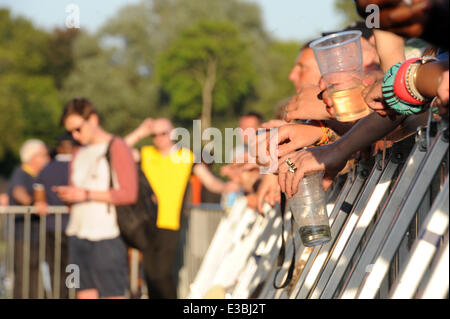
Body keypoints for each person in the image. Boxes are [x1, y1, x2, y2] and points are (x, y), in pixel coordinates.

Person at [125, 117, 237, 299]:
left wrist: (228, 186)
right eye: (154, 135)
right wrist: (140, 132)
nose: (159, 138)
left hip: (170, 223)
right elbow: (119, 152)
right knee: (150, 275)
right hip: (147, 223)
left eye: (163, 133)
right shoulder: (146, 153)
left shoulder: (186, 157)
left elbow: (210, 181)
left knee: (163, 275)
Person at [53, 98, 138, 299]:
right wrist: (70, 196)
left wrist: (86, 194)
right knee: (82, 292)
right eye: (70, 132)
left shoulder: (116, 146)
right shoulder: (78, 153)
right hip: (77, 233)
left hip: (106, 235)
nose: (74, 136)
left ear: (93, 119)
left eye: (78, 129)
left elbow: (129, 193)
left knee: (113, 294)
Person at [34, 132, 80, 298]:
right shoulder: (78, 167)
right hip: (73, 227)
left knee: (55, 267)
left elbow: (39, 196)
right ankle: (73, 295)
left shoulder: (46, 169)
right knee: (73, 267)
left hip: (51, 226)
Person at [7, 139, 50, 298]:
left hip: (38, 235)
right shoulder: (21, 171)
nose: (47, 158)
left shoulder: (40, 175)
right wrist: (33, 203)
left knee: (36, 275)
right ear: (32, 157)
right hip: (22, 235)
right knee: (24, 277)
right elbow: (18, 191)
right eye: (43, 155)